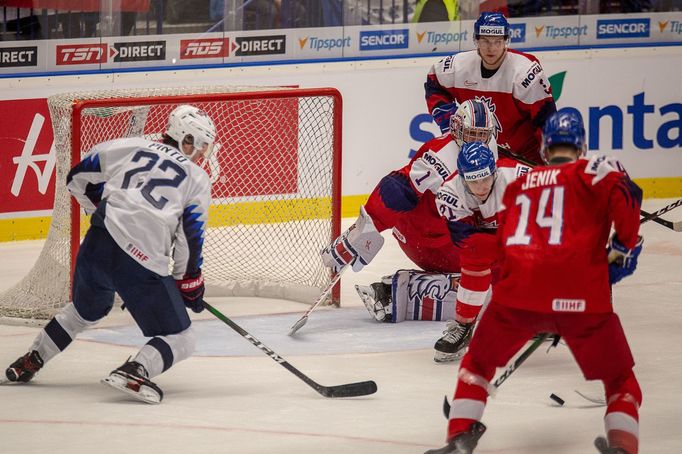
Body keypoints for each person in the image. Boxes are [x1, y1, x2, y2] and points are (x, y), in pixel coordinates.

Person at [425, 108, 644, 454]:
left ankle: (459, 436)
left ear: (544, 149)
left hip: (519, 296)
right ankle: (622, 445)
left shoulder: (522, 183)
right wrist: (622, 251)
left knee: (477, 366)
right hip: (582, 297)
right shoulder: (597, 170)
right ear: (582, 145)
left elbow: (511, 243)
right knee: (621, 382)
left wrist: (537, 293)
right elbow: (629, 196)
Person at [4, 105, 217, 405]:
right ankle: (136, 369)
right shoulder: (196, 178)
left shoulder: (129, 144)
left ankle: (32, 358)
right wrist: (189, 282)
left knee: (84, 311)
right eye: (202, 145)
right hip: (141, 264)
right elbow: (190, 237)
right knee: (182, 338)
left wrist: (104, 210)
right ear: (187, 139)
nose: (202, 154)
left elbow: (76, 178)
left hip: (97, 247)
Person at [322, 100, 497, 332]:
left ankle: (401, 293)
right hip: (427, 239)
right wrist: (365, 227)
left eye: (481, 135)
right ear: (456, 129)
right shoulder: (441, 156)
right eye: (470, 134)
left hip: (440, 233)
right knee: (496, 282)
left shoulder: (491, 150)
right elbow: (397, 189)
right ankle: (409, 294)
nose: (476, 141)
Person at [430, 141, 530, 362]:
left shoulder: (517, 176)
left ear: (494, 171)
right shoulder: (449, 193)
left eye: (486, 178)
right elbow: (467, 242)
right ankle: (464, 326)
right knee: (474, 256)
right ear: (462, 178)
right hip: (499, 244)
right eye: (474, 181)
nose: (482, 186)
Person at [425, 12, 556, 165]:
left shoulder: (524, 72)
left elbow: (546, 119)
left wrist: (552, 155)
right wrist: (449, 122)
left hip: (523, 157)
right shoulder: (458, 66)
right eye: (485, 41)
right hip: (476, 154)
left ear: (506, 40)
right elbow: (434, 82)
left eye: (498, 41)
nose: (491, 48)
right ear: (476, 40)